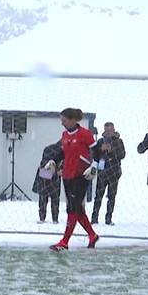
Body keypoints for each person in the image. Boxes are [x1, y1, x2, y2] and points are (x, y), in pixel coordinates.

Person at [46, 108, 99, 251]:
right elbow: (63, 152)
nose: (62, 123)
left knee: (72, 208)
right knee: (77, 208)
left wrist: (94, 166)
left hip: (82, 174)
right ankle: (92, 235)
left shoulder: (85, 134)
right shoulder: (64, 135)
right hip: (67, 174)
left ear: (73, 120)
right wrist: (53, 161)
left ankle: (64, 242)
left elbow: (97, 151)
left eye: (64, 120)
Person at [91, 122, 126, 226]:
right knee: (98, 195)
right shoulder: (100, 141)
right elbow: (94, 155)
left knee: (111, 196)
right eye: (106, 130)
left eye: (110, 130)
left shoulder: (119, 141)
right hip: (102, 172)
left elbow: (122, 155)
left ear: (114, 130)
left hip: (114, 172)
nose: (108, 133)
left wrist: (112, 150)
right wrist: (100, 149)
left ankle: (108, 218)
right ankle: (94, 218)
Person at [33, 141, 62, 224]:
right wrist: (60, 170)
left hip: (44, 170)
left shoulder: (48, 148)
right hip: (53, 172)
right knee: (55, 197)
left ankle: (42, 217)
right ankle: (55, 218)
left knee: (43, 196)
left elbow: (44, 162)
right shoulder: (62, 150)